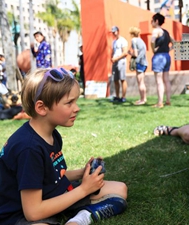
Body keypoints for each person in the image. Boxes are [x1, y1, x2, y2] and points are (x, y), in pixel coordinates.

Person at [0, 68, 128, 224]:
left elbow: (50, 176)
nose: (77, 108)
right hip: (19, 212)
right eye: (69, 103)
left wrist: (83, 174)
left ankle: (84, 217)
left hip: (50, 194)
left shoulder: (51, 134)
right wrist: (83, 190)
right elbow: (32, 213)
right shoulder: (29, 148)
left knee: (120, 189)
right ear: (41, 108)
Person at [151, 13, 175, 108]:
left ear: (156, 21)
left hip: (159, 57)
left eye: (152, 21)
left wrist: (154, 50)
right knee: (166, 80)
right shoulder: (166, 32)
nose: (151, 23)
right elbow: (174, 43)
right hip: (167, 56)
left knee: (159, 81)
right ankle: (168, 101)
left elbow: (152, 41)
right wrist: (168, 50)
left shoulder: (156, 30)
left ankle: (160, 102)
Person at [128, 26, 148, 105]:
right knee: (142, 82)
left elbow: (136, 54)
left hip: (139, 62)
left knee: (140, 82)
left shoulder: (133, 40)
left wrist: (130, 53)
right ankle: (144, 98)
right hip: (145, 62)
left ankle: (142, 100)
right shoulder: (141, 40)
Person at [110, 26, 128, 103]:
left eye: (114, 31)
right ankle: (117, 96)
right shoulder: (113, 42)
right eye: (112, 32)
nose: (113, 33)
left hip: (121, 62)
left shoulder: (123, 40)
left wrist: (117, 58)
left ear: (118, 31)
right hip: (115, 62)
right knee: (115, 79)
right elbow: (113, 52)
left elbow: (125, 52)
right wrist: (112, 58)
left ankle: (123, 97)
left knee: (122, 79)